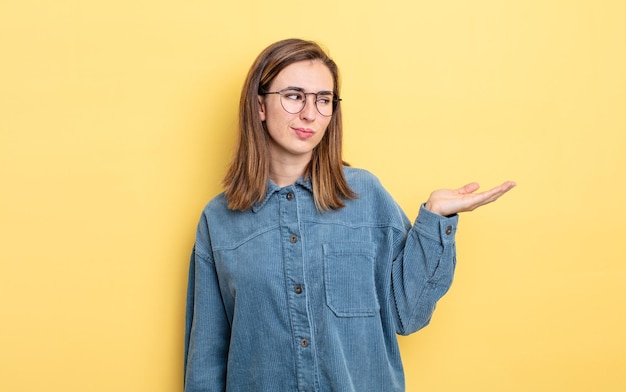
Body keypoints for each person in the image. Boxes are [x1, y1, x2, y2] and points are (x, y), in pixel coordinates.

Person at [184, 38, 515, 392]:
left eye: (323, 100)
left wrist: (434, 220)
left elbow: (407, 315)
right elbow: (206, 358)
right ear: (260, 105)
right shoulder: (218, 220)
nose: (310, 114)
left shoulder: (365, 196)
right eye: (294, 96)